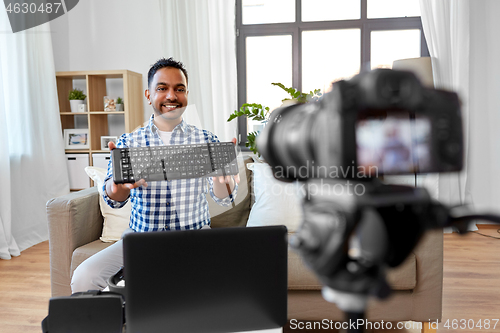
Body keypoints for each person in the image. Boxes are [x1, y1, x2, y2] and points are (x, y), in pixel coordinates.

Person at [71, 58, 239, 292]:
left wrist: (224, 181)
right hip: (140, 240)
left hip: (195, 241)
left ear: (186, 95)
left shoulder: (206, 140)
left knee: (231, 280)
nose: (172, 96)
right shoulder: (129, 142)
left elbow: (224, 197)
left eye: (179, 89)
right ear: (149, 95)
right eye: (162, 88)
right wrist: (119, 185)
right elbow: (113, 197)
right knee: (84, 277)